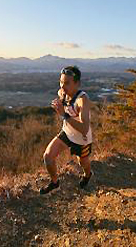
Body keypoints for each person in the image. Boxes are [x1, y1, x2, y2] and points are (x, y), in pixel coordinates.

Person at [39, 65, 94, 194]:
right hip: (67, 133)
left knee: (83, 163)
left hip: (82, 139)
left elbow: (84, 129)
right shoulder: (62, 93)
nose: (63, 86)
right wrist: (59, 106)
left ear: (77, 84)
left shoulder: (82, 100)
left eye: (67, 83)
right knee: (48, 156)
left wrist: (64, 115)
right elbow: (62, 104)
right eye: (61, 82)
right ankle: (54, 182)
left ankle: (87, 175)